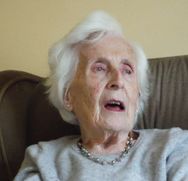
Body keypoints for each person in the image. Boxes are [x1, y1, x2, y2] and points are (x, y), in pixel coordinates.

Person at [14, 11, 188, 181]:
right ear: (68, 96)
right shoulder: (44, 160)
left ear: (138, 94)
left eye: (127, 70)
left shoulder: (173, 147)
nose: (118, 81)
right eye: (100, 68)